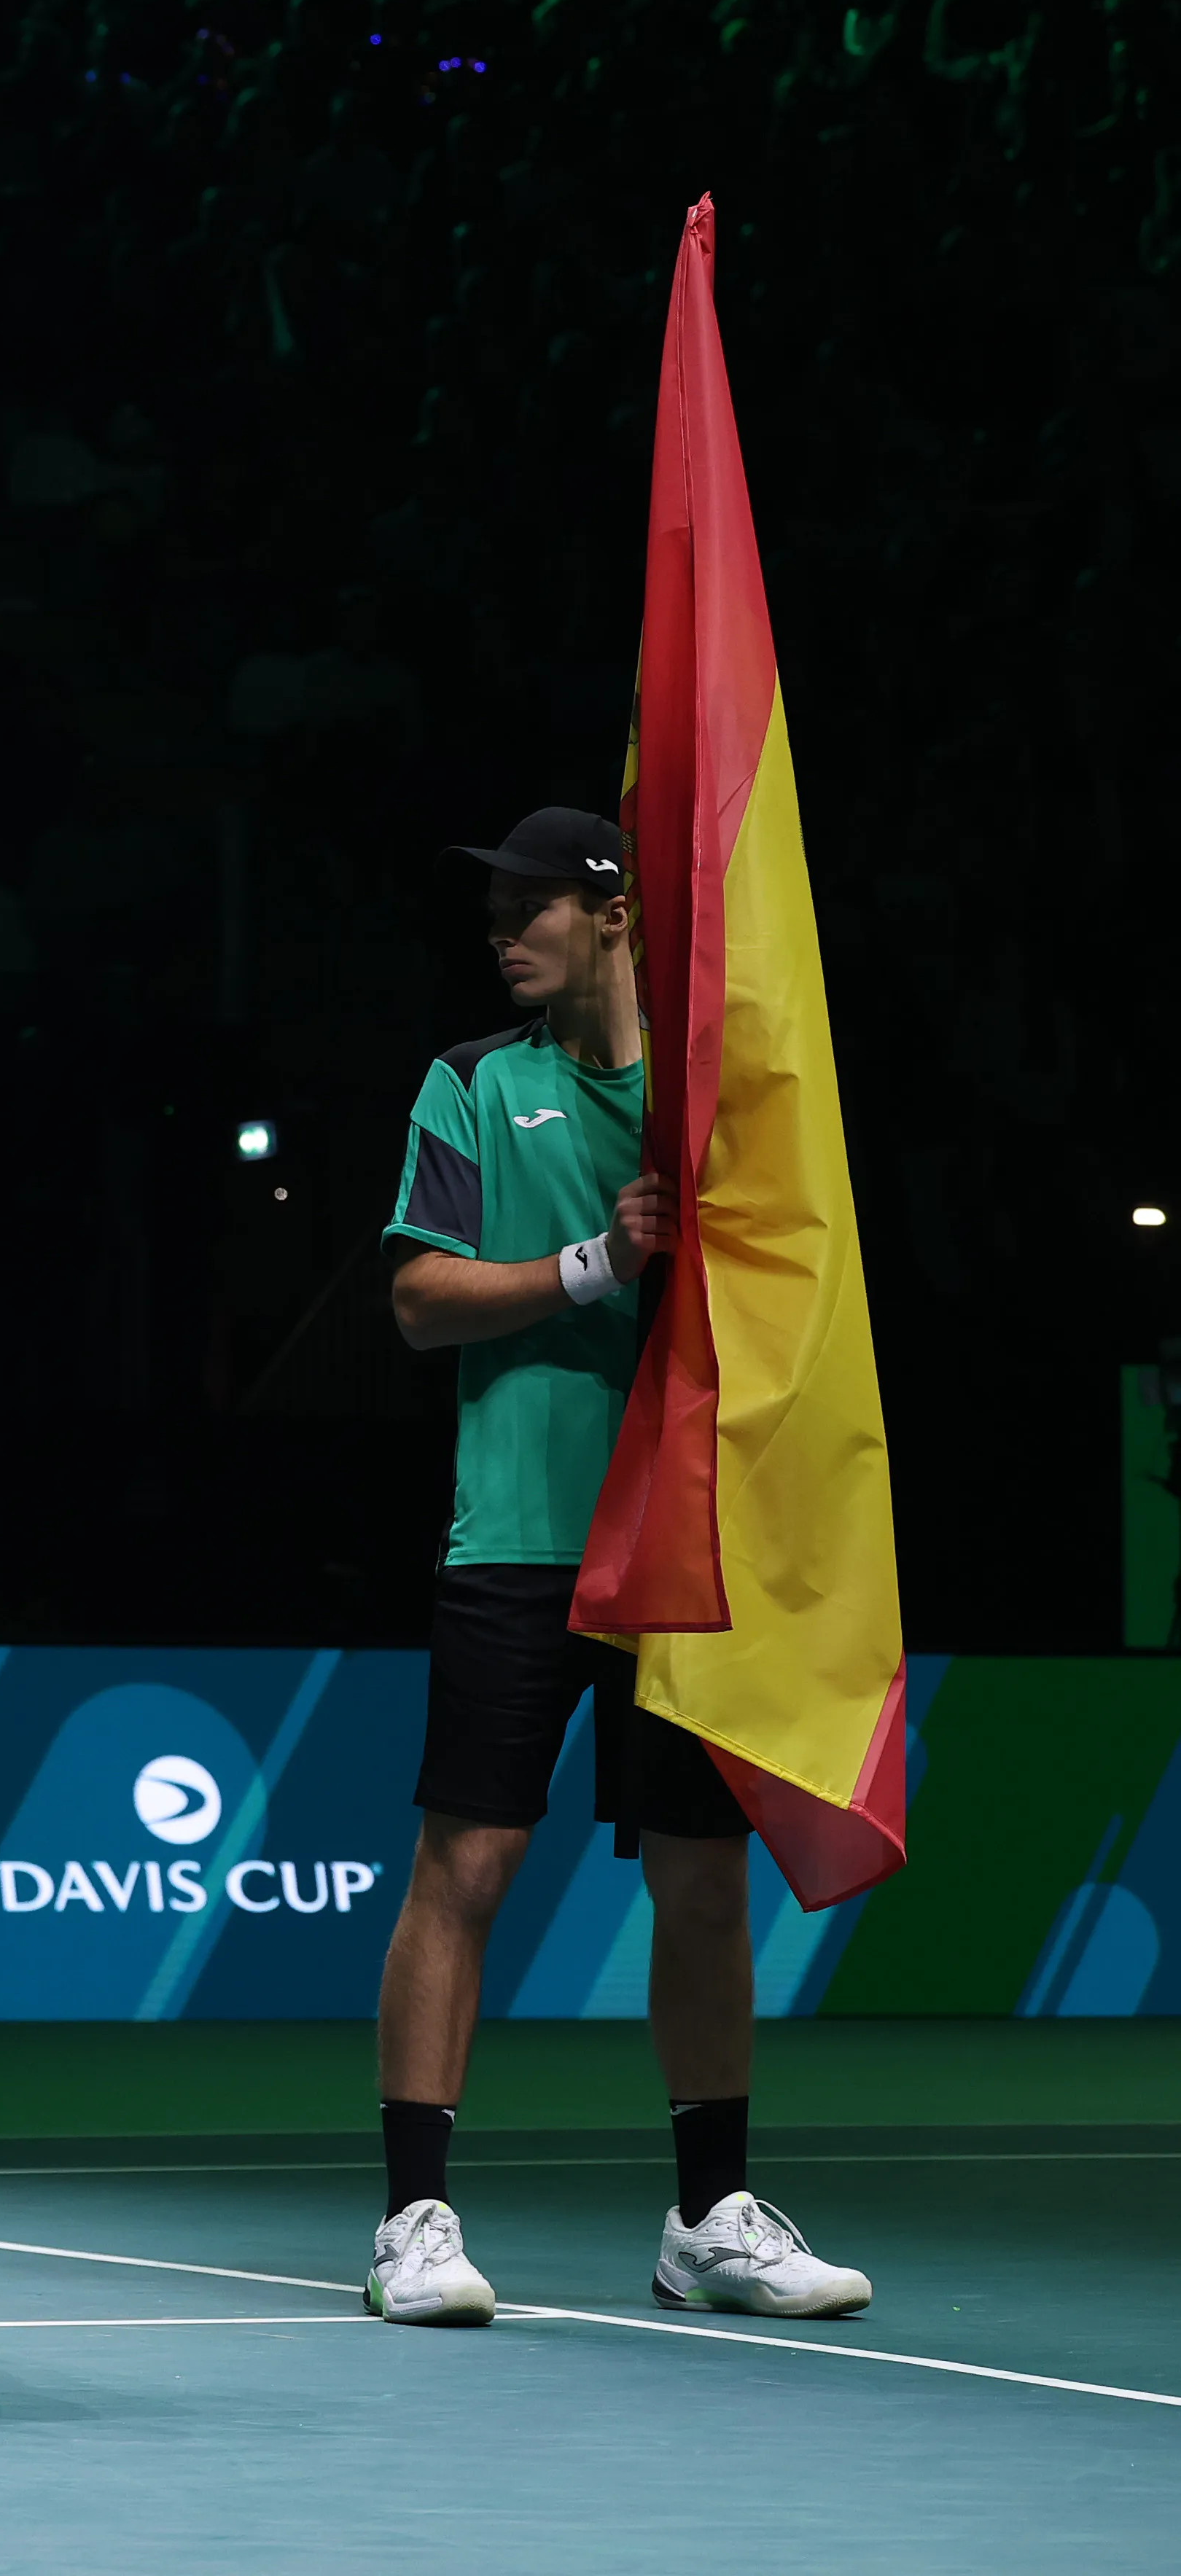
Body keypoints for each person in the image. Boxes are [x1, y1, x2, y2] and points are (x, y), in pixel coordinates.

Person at [365, 807, 876, 2327]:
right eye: (496, 905)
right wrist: (594, 1261)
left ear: (617, 914)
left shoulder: (722, 1102)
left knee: (706, 1880)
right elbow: (417, 1299)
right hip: (519, 1534)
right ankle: (415, 2216)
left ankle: (711, 2211)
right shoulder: (471, 1084)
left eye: (533, 903)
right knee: (468, 1866)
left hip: (682, 1542)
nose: (504, 928)